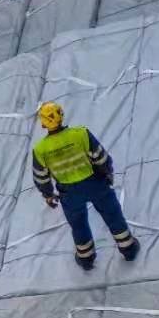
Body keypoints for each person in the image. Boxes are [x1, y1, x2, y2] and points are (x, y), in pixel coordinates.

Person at [31, 101, 140, 271]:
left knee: (78, 225)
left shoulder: (40, 149)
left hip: (69, 193)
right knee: (113, 215)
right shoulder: (80, 133)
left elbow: (41, 177)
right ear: (61, 115)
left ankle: (86, 259)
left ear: (43, 123)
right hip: (94, 183)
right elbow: (100, 157)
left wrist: (48, 195)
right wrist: (107, 173)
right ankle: (129, 249)